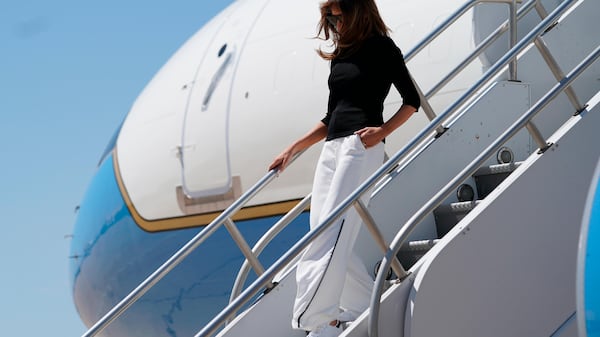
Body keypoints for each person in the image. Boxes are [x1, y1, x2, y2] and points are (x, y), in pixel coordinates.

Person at [268, 0, 421, 336]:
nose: (335, 24)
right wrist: (293, 148)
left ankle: (313, 319)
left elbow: (412, 100)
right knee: (321, 229)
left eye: (338, 16)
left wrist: (383, 132)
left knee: (332, 231)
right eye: (330, 18)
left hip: (360, 147)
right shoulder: (340, 56)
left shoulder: (382, 48)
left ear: (357, 12)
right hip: (332, 148)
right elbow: (330, 116)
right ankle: (367, 305)